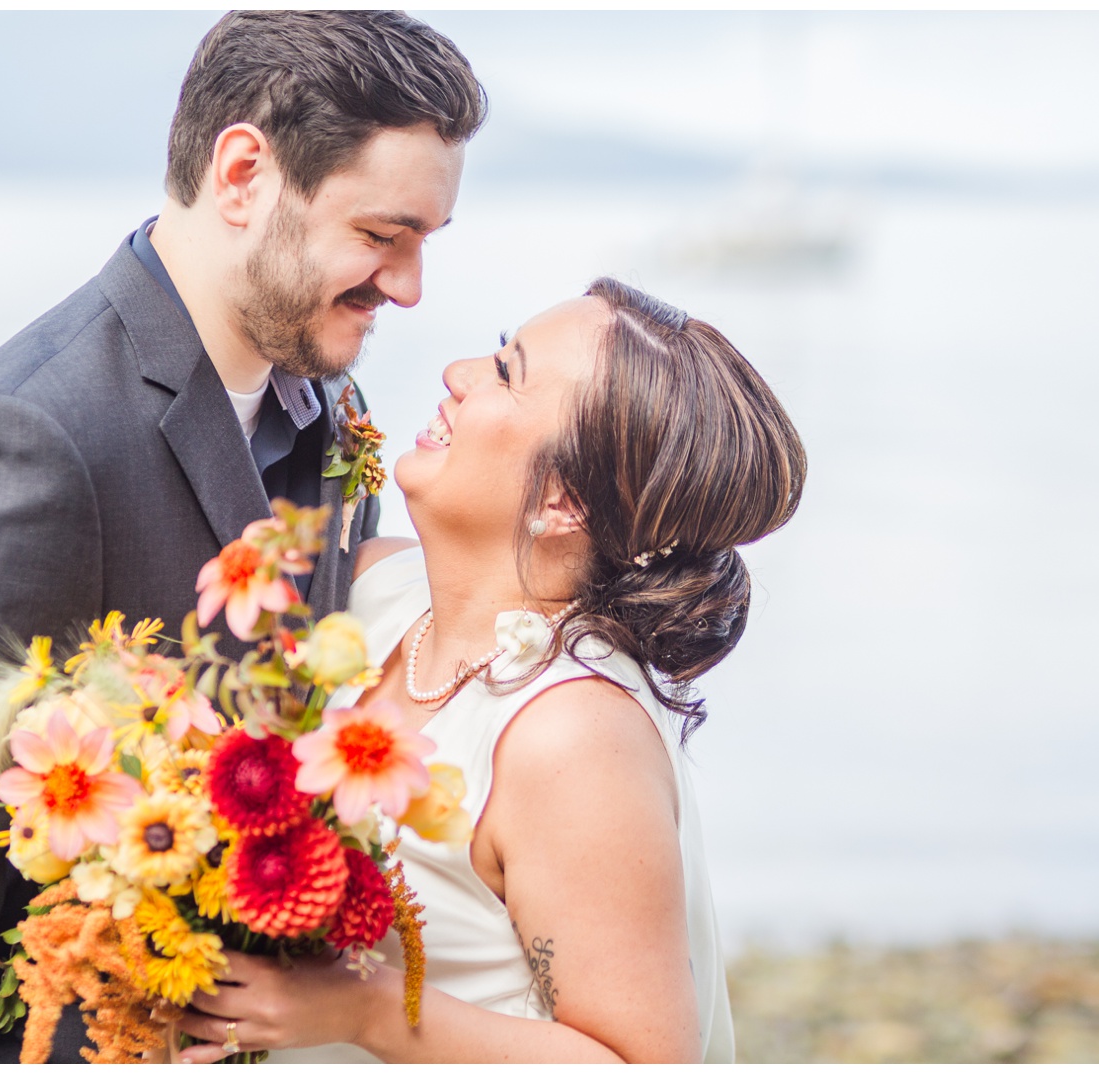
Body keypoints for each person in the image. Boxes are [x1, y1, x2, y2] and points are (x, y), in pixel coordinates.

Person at [0, 11, 486, 1063]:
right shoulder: (31, 440)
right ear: (242, 173)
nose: (405, 286)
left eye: (421, 244)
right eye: (378, 235)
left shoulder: (322, 390)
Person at [163, 278, 807, 1064]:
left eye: (507, 372)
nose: (459, 373)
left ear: (563, 501)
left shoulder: (571, 734)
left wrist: (368, 1013)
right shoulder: (372, 587)